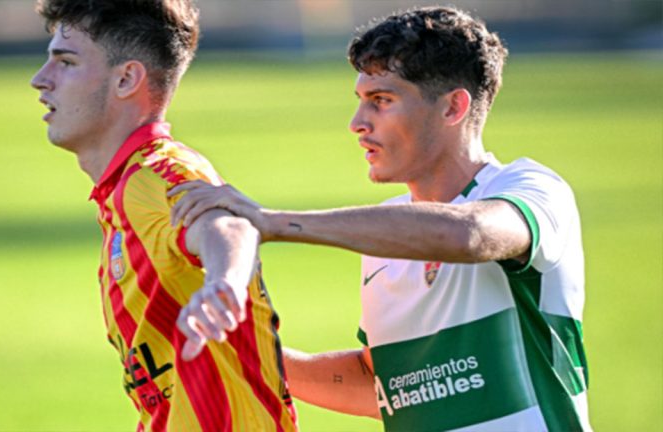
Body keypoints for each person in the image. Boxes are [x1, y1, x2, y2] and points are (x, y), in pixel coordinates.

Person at [169, 6, 591, 432]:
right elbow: (381, 386)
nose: (357, 124)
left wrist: (273, 222)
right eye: (361, 101)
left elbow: (471, 234)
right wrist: (244, 354)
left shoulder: (531, 190)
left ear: (453, 108)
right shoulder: (387, 235)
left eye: (382, 101)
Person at [29, 1, 297, 430]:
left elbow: (227, 225)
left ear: (126, 79)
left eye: (65, 61)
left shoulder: (157, 174)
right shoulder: (121, 192)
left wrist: (224, 283)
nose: (40, 80)